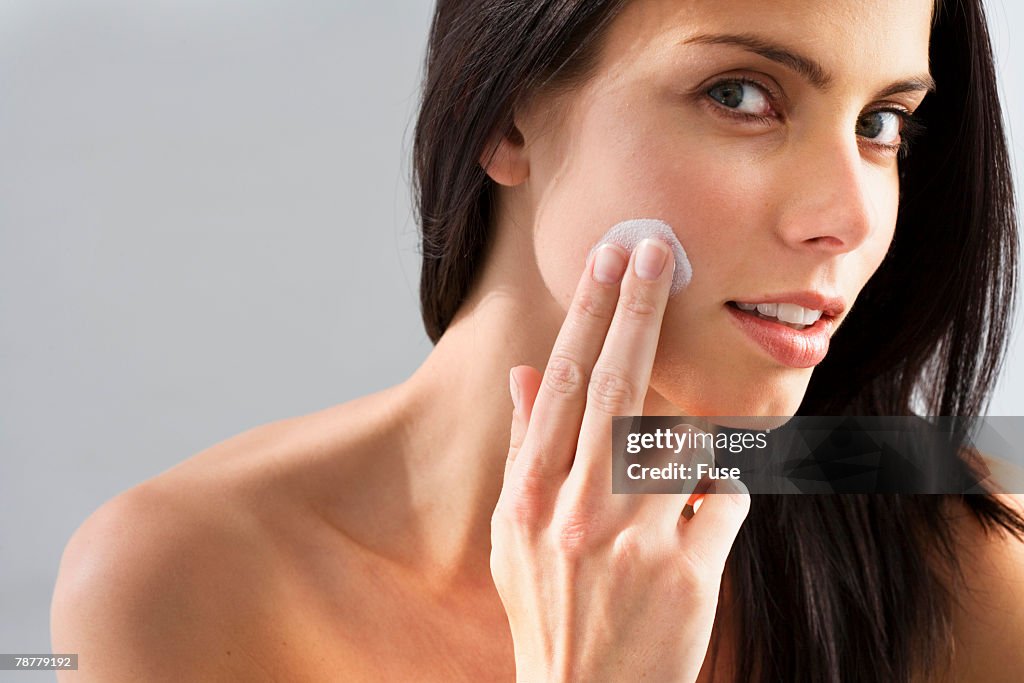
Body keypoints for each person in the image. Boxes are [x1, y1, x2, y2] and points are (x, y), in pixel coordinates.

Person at [51, 0, 1024, 680]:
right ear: (506, 114)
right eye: (739, 94)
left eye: (882, 121)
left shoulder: (965, 553)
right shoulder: (181, 582)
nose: (848, 218)